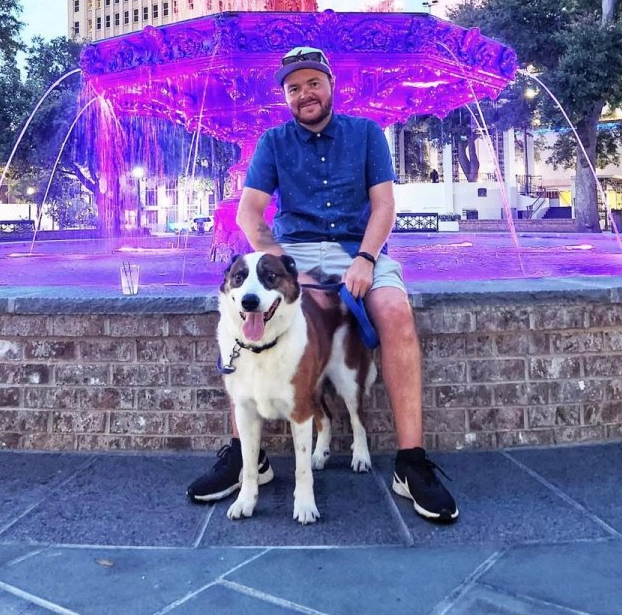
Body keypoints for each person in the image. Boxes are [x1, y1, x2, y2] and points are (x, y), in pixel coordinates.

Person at [187, 46, 458, 522]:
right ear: (286, 97)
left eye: (313, 83)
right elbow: (248, 213)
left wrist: (366, 260)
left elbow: (383, 208)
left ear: (331, 85)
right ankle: (246, 454)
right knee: (245, 315)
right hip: (296, 254)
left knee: (395, 312)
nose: (305, 94)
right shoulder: (273, 142)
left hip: (360, 247)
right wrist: (284, 268)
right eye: (294, 88)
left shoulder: (368, 134)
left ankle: (410, 463)